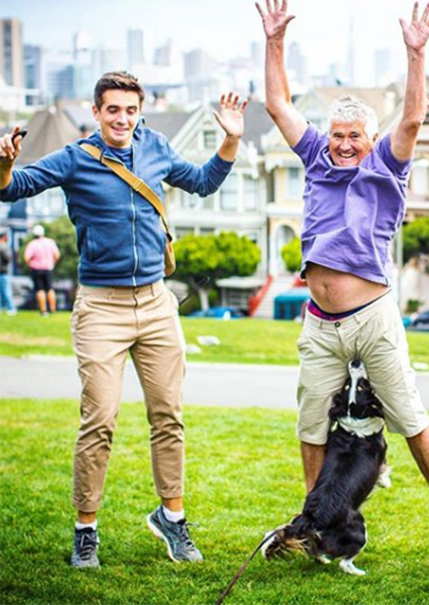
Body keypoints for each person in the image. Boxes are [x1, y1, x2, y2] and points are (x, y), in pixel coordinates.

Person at [0, 71, 247, 569]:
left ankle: (172, 520)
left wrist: (231, 139)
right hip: (101, 308)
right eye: (113, 110)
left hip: (156, 303)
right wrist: (4, 166)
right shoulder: (75, 159)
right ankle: (85, 530)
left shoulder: (155, 148)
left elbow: (201, 183)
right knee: (100, 422)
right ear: (96, 112)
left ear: (140, 112)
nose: (122, 119)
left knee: (168, 418)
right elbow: (14, 189)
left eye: (131, 110)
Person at [256, 0, 429, 556]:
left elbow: (414, 117)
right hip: (321, 322)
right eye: (338, 134)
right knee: (310, 419)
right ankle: (313, 522)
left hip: (372, 316)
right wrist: (275, 41)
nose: (344, 144)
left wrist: (415, 53)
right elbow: (277, 104)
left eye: (355, 136)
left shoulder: (385, 164)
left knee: (406, 410)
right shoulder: (318, 157)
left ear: (370, 139)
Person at [24, 224, 60, 315]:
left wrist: (30, 265)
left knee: (40, 289)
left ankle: (43, 311)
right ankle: (53, 309)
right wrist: (53, 263)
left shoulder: (32, 244)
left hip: (36, 269)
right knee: (50, 289)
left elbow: (26, 257)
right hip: (48, 268)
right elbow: (57, 255)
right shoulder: (50, 242)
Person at [0, 228, 17, 315]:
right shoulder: (3, 246)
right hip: (3, 272)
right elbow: (8, 258)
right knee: (6, 291)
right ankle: (11, 308)